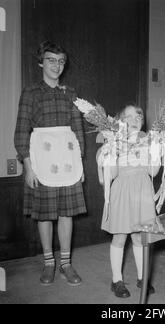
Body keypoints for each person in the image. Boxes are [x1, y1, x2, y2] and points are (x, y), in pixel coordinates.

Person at [14, 41, 86, 286]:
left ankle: (66, 263)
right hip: (41, 161)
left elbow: (77, 130)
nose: (57, 65)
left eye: (61, 61)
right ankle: (48, 263)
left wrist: (80, 164)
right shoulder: (30, 92)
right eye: (51, 60)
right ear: (41, 62)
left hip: (68, 161)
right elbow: (22, 129)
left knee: (67, 213)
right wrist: (28, 166)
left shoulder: (71, 93)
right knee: (45, 215)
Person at [98, 104, 162, 298]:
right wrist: (110, 153)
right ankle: (116, 280)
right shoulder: (115, 141)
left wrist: (158, 151)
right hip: (122, 192)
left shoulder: (148, 141)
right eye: (129, 116)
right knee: (120, 237)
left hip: (143, 191)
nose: (135, 119)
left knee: (139, 237)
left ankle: (143, 277)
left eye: (139, 116)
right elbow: (111, 175)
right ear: (120, 122)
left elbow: (153, 172)